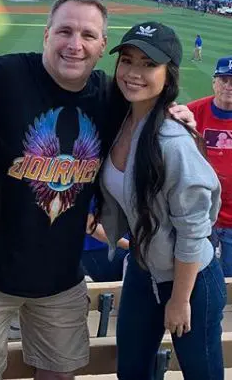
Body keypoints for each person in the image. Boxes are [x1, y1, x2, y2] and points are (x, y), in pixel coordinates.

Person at [0, 0, 195, 380]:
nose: (75, 44)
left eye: (88, 34)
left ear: (103, 45)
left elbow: (153, 103)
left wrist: (175, 110)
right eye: (65, 31)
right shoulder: (4, 75)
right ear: (46, 35)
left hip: (62, 281)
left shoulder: (112, 96)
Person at [100, 22, 225, 380]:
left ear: (168, 73)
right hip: (143, 269)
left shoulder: (172, 141)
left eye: (147, 64)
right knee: (132, 371)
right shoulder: (119, 118)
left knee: (202, 374)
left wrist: (180, 298)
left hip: (191, 279)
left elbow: (193, 229)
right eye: (127, 60)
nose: (134, 73)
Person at [188, 56, 232, 277]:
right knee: (199, 276)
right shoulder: (193, 113)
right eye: (224, 79)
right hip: (201, 215)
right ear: (214, 82)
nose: (229, 86)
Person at [82, 199, 129, 282]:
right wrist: (129, 245)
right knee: (113, 290)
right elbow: (90, 227)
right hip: (98, 249)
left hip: (123, 241)